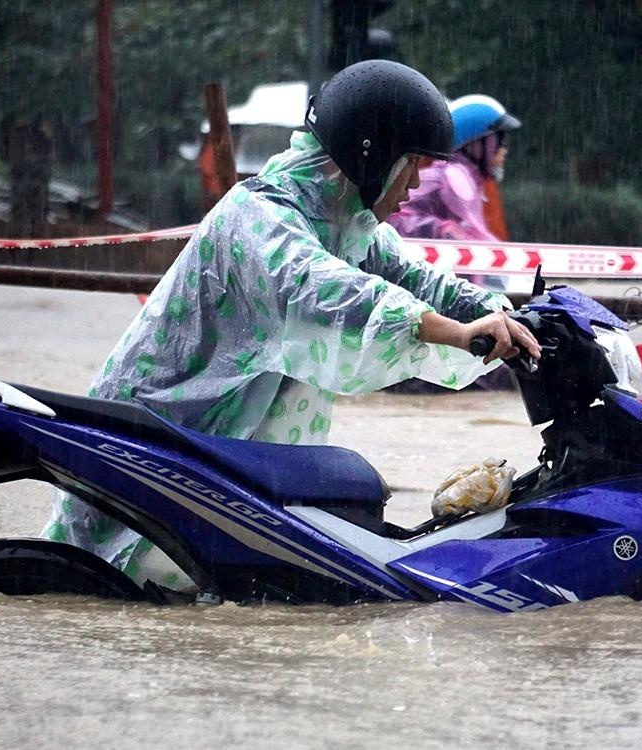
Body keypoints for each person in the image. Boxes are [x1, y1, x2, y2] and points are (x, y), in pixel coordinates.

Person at [40, 61, 540, 587]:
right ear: (371, 157)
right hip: (166, 438)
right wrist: (451, 331)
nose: (416, 183)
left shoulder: (344, 223)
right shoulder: (262, 214)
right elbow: (317, 287)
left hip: (232, 450)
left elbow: (413, 277)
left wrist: (510, 314)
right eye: (410, 163)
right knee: (100, 590)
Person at [387, 94, 522, 292]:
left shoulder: (471, 181)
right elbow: (391, 218)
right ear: (476, 143)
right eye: (499, 142)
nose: (504, 151)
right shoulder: (449, 178)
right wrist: (440, 229)